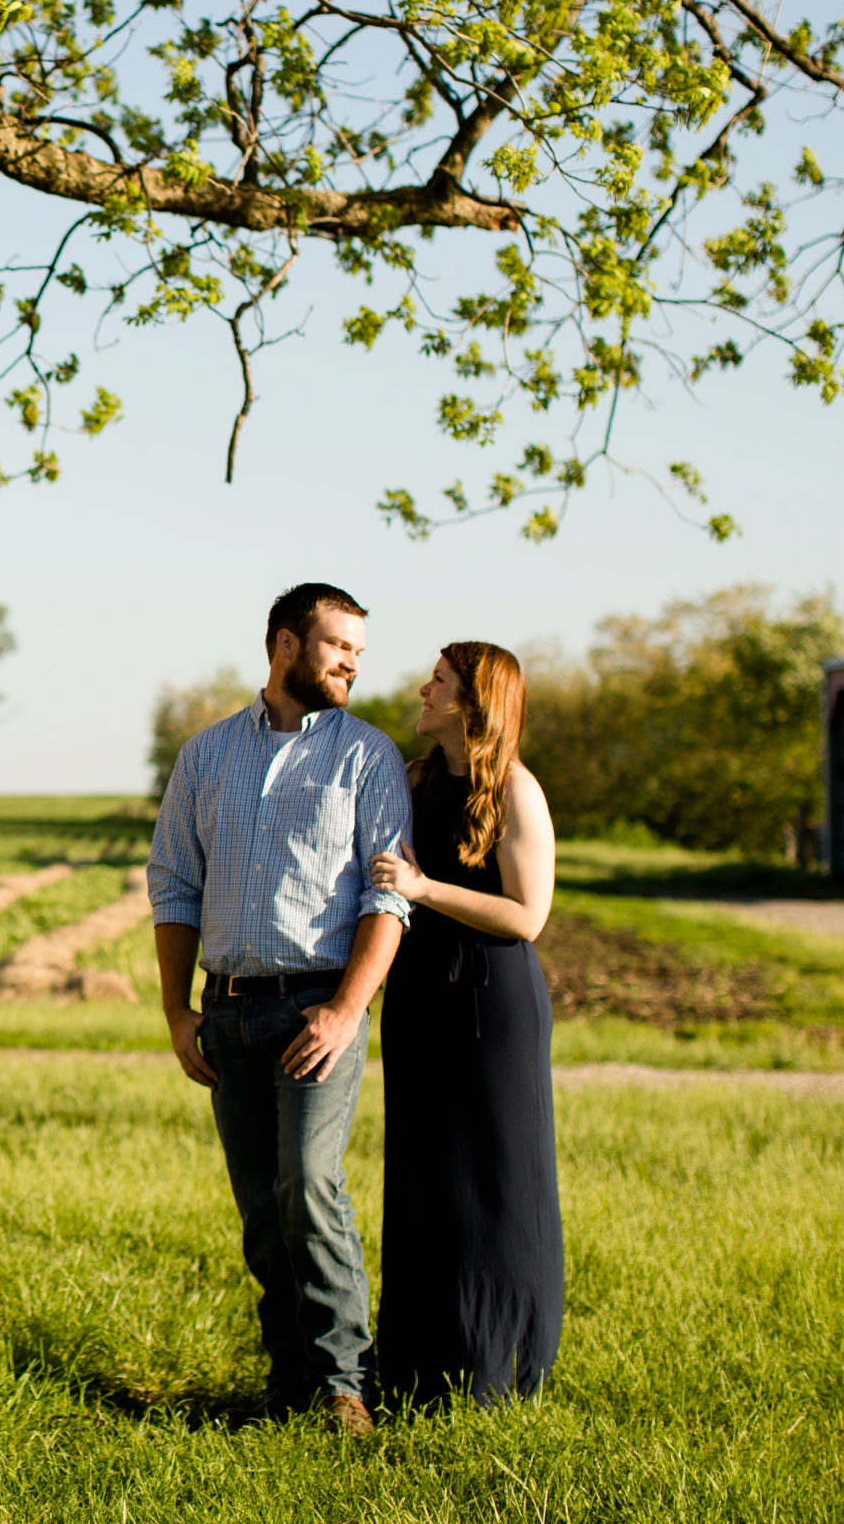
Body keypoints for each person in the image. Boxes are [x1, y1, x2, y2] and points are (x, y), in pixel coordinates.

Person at [149, 583, 412, 1436]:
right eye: (339, 645)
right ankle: (288, 1381)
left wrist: (344, 1010)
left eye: (358, 653)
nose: (351, 664)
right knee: (262, 1205)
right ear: (285, 644)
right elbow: (174, 887)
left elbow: (389, 901)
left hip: (316, 1010)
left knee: (310, 1180)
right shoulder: (204, 757)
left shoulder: (367, 757)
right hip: (226, 1013)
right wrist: (177, 1013)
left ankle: (345, 1385)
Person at [369, 643, 563, 1407]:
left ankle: (501, 1369)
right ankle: (419, 1367)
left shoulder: (517, 789)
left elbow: (528, 916)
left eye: (439, 681)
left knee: (498, 1178)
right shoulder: (411, 781)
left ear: (474, 702)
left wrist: (424, 887)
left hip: (493, 1004)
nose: (423, 688)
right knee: (424, 1176)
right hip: (416, 996)